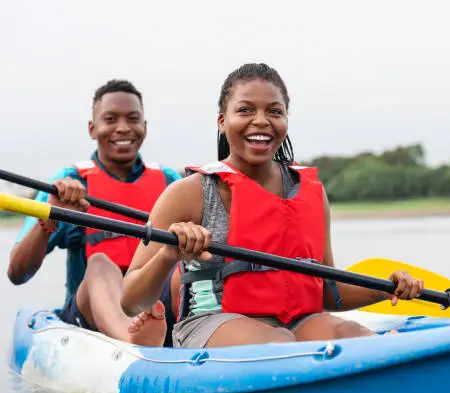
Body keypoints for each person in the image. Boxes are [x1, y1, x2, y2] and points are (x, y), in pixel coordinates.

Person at [121, 63, 424, 349]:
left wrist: (385, 288)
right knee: (278, 343)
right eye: (245, 110)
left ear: (286, 120)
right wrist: (168, 254)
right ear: (222, 121)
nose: (261, 120)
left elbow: (326, 292)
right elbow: (131, 300)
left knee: (354, 336)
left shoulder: (311, 193)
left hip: (296, 322)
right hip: (213, 325)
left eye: (275, 111)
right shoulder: (189, 193)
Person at [7, 79, 181, 347]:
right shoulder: (70, 180)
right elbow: (18, 273)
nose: (123, 128)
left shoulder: (169, 181)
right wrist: (51, 215)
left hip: (153, 307)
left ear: (144, 128)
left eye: (132, 119)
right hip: (89, 317)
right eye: (110, 119)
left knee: (183, 266)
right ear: (93, 128)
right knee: (99, 262)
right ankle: (131, 338)